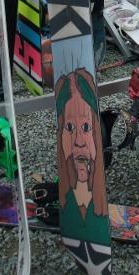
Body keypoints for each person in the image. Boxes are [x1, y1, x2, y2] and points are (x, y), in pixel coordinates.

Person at [55, 68, 108, 243]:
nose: (78, 141)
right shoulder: (68, 200)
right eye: (69, 127)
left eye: (86, 127)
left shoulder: (97, 204)